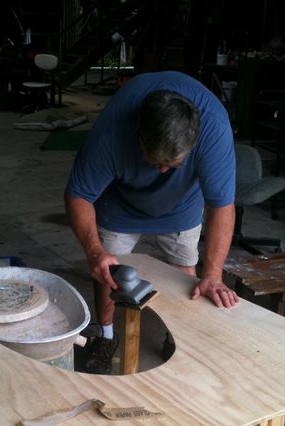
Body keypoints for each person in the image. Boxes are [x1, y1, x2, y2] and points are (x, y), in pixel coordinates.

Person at [65, 71, 239, 374]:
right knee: (107, 272)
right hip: (120, 202)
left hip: (182, 204)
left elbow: (221, 205)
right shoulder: (111, 133)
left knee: (187, 277)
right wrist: (94, 251)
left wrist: (212, 274)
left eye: (170, 165)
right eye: (154, 161)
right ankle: (105, 336)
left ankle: (179, 339)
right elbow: (78, 194)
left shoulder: (214, 130)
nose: (160, 171)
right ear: (138, 136)